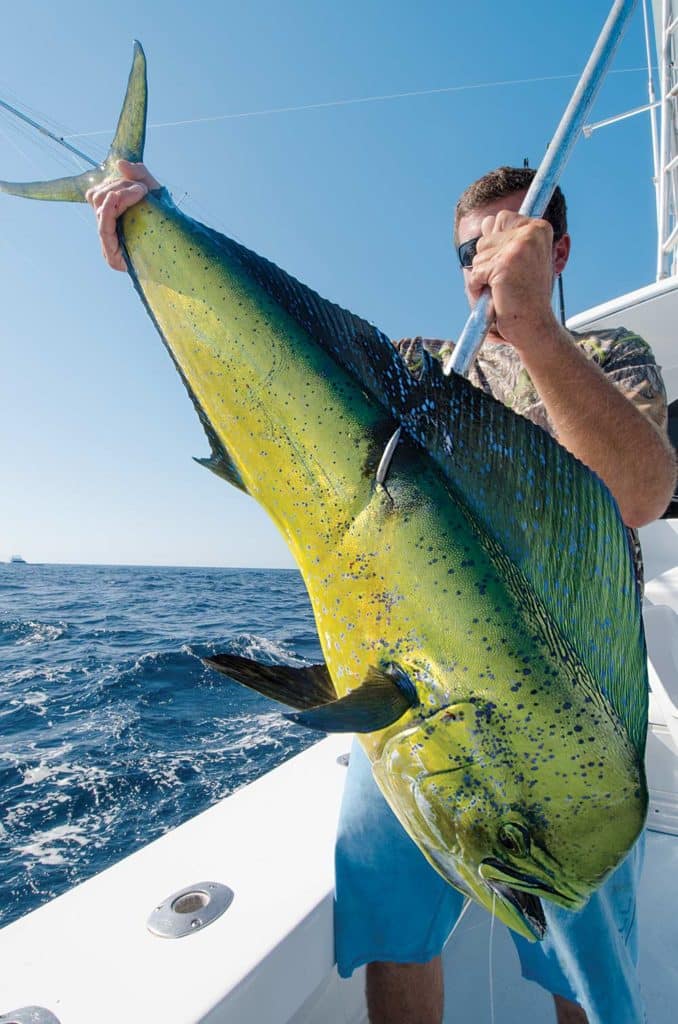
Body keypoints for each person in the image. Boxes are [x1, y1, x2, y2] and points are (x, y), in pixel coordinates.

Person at [87, 164, 675, 1024]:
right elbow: (272, 370)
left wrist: (539, 335)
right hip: (407, 701)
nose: (491, 257)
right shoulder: (420, 368)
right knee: (393, 930)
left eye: (518, 237)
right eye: (473, 247)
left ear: (559, 249)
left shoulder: (609, 356)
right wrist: (152, 236)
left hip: (569, 737)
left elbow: (642, 492)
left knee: (582, 976)